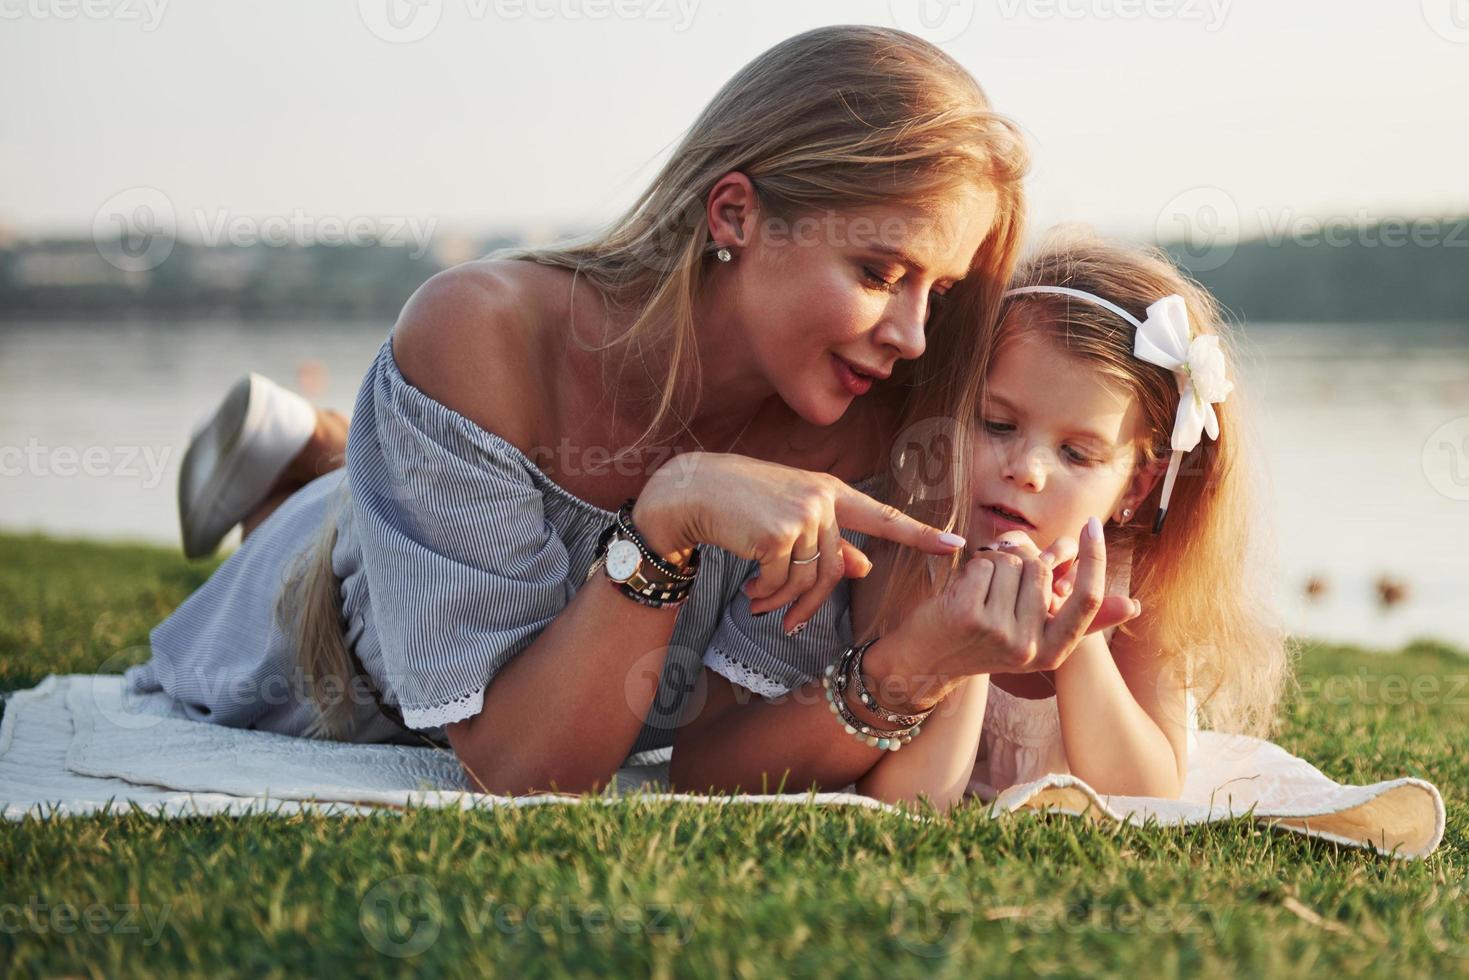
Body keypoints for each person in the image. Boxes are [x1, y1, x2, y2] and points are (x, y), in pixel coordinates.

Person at [126, 26, 1134, 799]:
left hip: (456, 498)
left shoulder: (870, 427)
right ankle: (306, 474)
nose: (913, 335)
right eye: (878, 271)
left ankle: (313, 448)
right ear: (734, 212)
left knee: (389, 487)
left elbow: (716, 757)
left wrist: (918, 663)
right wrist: (672, 511)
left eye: (940, 293)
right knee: (322, 535)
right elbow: (525, 765)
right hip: (329, 614)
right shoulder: (484, 334)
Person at [668, 230, 1289, 808]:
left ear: (1138, 484)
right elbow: (912, 800)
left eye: (1077, 453)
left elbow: (1146, 799)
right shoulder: (909, 551)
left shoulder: (1140, 584)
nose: (1027, 470)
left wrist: (1078, 642)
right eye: (997, 424)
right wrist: (959, 651)